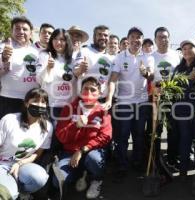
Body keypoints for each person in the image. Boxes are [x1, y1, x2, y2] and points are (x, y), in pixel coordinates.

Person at [102, 27, 154, 179]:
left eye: (139, 37)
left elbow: (150, 76)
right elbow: (113, 79)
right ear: (128, 39)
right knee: (122, 136)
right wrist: (109, 98)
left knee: (138, 135)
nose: (135, 40)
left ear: (142, 40)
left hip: (142, 103)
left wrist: (146, 73)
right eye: (133, 37)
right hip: (124, 102)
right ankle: (122, 165)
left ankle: (137, 163)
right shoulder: (120, 57)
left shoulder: (147, 57)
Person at [54, 76, 112, 199]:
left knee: (94, 159)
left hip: (91, 151)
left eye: (93, 90)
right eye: (85, 89)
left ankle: (96, 179)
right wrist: (76, 126)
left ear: (100, 93)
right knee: (57, 180)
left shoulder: (103, 111)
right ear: (80, 91)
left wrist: (83, 149)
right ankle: (80, 173)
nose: (89, 93)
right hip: (69, 152)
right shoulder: (69, 108)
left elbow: (106, 136)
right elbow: (61, 136)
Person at [0, 88, 53, 199]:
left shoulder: (47, 126)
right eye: (35, 100)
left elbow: (37, 153)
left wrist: (19, 164)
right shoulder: (10, 120)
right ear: (26, 103)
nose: (39, 105)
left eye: (43, 102)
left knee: (40, 177)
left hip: (22, 165)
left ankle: (21, 192)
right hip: (2, 164)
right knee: (6, 195)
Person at [172, 40, 195, 178]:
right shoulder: (178, 67)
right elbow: (173, 84)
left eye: (189, 48)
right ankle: (183, 169)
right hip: (182, 107)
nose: (186, 51)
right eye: (183, 49)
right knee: (185, 137)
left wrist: (185, 80)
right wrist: (187, 78)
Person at [151, 27, 181, 172]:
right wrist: (155, 88)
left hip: (174, 98)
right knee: (156, 130)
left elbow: (181, 75)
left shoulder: (176, 55)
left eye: (165, 37)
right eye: (160, 37)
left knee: (173, 130)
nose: (163, 40)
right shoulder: (150, 56)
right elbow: (148, 78)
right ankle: (156, 160)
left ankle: (172, 160)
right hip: (156, 98)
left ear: (169, 38)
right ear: (155, 40)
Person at [0, 16, 40, 119]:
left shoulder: (37, 52)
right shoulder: (4, 47)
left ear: (31, 33)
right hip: (9, 100)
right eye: (17, 28)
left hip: (32, 101)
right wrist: (4, 58)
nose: (21, 32)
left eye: (25, 29)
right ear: (11, 31)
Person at [37, 28, 74, 120]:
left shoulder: (72, 59)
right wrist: (48, 68)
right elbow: (39, 80)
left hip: (68, 105)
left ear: (67, 42)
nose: (58, 42)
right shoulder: (44, 55)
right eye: (55, 39)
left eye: (62, 40)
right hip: (50, 104)